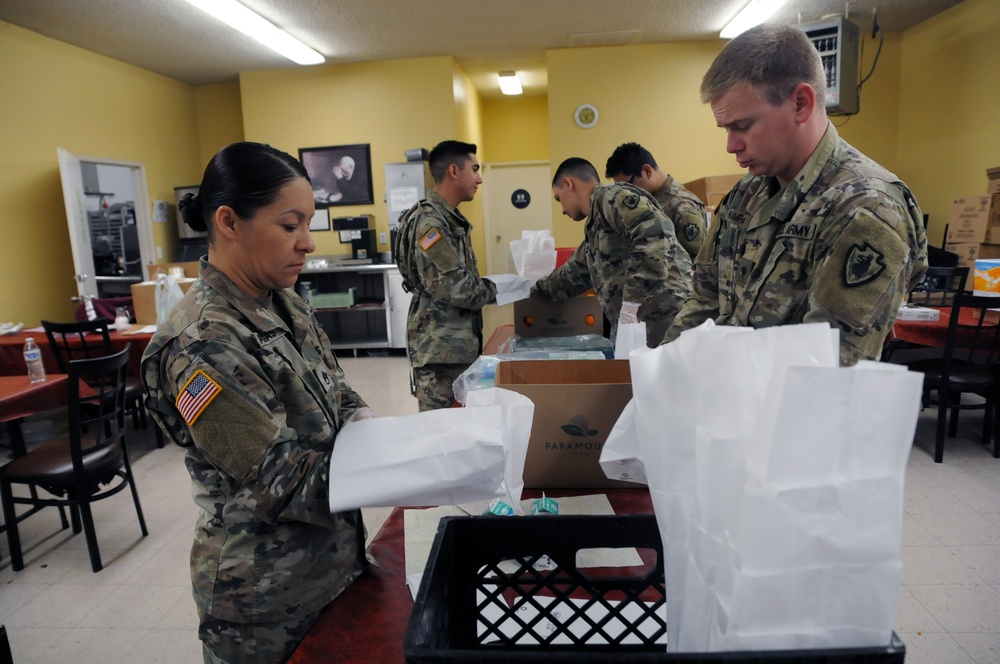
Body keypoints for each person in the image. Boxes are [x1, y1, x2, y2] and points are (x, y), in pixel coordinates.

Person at [141, 142, 376, 663]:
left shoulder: (282, 300)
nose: (307, 243)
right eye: (289, 225)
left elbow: (332, 385)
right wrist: (405, 468)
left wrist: (365, 418)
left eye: (308, 224)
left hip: (332, 563)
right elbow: (279, 481)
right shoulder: (205, 342)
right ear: (229, 221)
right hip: (265, 598)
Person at [661, 24, 928, 365]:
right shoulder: (747, 193)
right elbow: (704, 304)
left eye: (742, 126)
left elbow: (830, 365)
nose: (731, 146)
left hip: (791, 411)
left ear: (800, 103)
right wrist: (660, 377)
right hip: (728, 402)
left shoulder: (867, 208)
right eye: (726, 130)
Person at [530, 157, 693, 347]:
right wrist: (532, 292)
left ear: (568, 184)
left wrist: (633, 299)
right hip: (642, 325)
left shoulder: (612, 197)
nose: (562, 210)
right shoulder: (596, 224)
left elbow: (656, 235)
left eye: (559, 198)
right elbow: (574, 273)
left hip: (665, 320)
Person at [393, 140, 497, 411]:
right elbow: (457, 288)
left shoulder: (447, 218)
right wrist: (502, 289)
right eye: (474, 169)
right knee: (439, 435)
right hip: (440, 355)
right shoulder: (431, 224)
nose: (479, 178)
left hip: (452, 349)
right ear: (454, 170)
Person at [605, 142, 708, 259]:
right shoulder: (650, 202)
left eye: (629, 185)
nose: (627, 193)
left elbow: (692, 266)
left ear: (647, 171)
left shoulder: (683, 208)